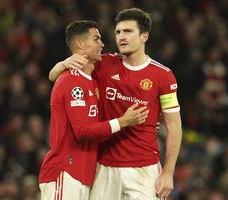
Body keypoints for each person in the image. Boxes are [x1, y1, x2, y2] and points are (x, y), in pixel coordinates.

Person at [49, 8, 182, 200]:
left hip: (144, 168)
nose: (121, 37)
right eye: (118, 32)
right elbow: (55, 77)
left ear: (144, 36)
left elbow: (174, 125)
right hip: (104, 166)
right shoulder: (104, 64)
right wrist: (64, 63)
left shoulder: (163, 76)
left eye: (128, 31)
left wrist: (168, 172)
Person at [39, 20, 149, 200]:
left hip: (83, 175)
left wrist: (137, 124)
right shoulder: (71, 81)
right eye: (96, 39)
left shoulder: (92, 80)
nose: (102, 44)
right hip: (64, 173)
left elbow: (98, 128)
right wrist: (122, 122)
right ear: (80, 44)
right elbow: (82, 131)